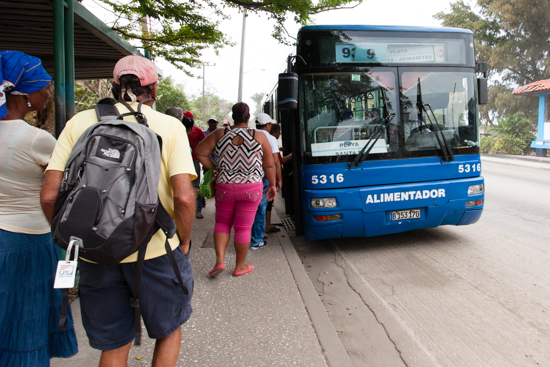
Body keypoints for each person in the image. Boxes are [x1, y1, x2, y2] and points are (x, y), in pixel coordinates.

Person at [40, 54, 196, 367]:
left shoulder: (80, 123)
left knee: (114, 343)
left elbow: (49, 195)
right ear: (153, 88)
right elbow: (184, 198)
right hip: (155, 251)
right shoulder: (169, 126)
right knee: (169, 329)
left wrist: (74, 237)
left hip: (95, 251)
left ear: (114, 85)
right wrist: (184, 238)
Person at [0, 50, 78, 365]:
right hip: (27, 242)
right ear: (27, 94)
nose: (49, 92)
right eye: (44, 86)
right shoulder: (36, 140)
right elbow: (55, 195)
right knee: (24, 320)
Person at [194, 102, 277, 277]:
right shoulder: (260, 136)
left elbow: (199, 151)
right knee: (243, 228)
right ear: (248, 118)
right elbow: (269, 165)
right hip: (251, 187)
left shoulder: (220, 133)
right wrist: (273, 185)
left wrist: (214, 168)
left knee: (222, 223)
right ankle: (239, 266)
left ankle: (220, 262)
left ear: (233, 116)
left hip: (225, 186)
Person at [249, 113, 283, 249]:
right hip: (263, 178)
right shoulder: (269, 138)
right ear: (268, 125)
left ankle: (246, 237)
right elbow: (275, 161)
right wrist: (278, 179)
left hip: (248, 178)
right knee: (260, 208)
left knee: (248, 208)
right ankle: (256, 240)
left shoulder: (249, 134)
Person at [182, 110, 206, 219]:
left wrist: (201, 156)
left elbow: (205, 142)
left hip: (194, 160)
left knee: (196, 185)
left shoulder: (197, 130)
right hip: (181, 160)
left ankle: (198, 210)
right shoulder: (177, 130)